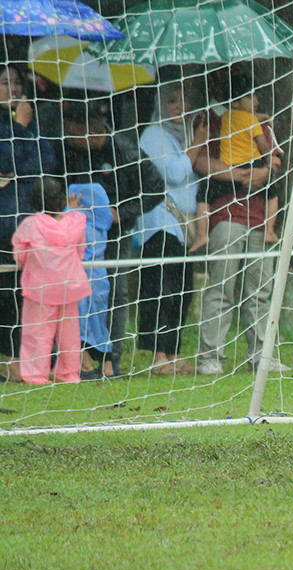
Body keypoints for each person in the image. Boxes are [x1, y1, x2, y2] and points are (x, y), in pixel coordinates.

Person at [54, 100, 166, 378]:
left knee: (116, 292)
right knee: (74, 294)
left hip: (115, 236)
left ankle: (110, 359)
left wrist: (121, 213)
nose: (67, 138)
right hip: (73, 235)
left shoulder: (125, 151)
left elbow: (156, 188)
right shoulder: (67, 150)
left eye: (72, 132)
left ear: (90, 129)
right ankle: (77, 359)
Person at [194, 80, 290, 376]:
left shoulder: (261, 125)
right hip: (226, 216)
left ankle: (262, 357)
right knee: (222, 287)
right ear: (234, 98)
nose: (256, 100)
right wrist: (241, 175)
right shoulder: (213, 122)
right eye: (250, 95)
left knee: (260, 292)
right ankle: (210, 357)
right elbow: (200, 162)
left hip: (261, 219)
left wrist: (264, 170)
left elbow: (275, 162)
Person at [136, 82, 207, 376]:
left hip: (180, 227)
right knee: (161, 289)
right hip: (158, 224)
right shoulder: (154, 134)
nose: (179, 107)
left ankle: (174, 354)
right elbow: (175, 173)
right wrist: (198, 143)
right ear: (161, 105)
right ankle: (158, 357)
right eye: (172, 101)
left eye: (183, 100)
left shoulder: (179, 137)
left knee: (182, 290)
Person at [0, 63, 56, 383]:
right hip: (4, 227)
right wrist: (19, 128)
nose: (15, 89)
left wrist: (14, 169)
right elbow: (6, 161)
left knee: (29, 295)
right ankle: (9, 361)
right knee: (6, 294)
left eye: (18, 83)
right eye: (6, 83)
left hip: (29, 225)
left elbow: (47, 162)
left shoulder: (30, 124)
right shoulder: (20, 123)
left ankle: (27, 359)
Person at [12, 177, 90, 384]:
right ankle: (69, 373)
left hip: (40, 287)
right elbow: (81, 252)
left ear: (34, 201)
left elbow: (19, 255)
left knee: (37, 333)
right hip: (69, 286)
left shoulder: (30, 225)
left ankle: (35, 375)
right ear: (62, 200)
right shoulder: (75, 222)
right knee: (70, 334)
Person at [218, 74, 280, 244]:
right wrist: (267, 164)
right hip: (253, 166)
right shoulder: (252, 121)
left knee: (204, 196)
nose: (255, 100)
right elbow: (265, 148)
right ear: (235, 102)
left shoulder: (224, 118)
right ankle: (270, 230)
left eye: (255, 95)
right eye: (249, 96)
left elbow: (243, 120)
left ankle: (201, 233)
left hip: (231, 168)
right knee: (272, 196)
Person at [74, 183, 115, 380]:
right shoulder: (100, 226)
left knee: (82, 322)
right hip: (100, 278)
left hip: (82, 278)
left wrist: (69, 211)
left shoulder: (81, 224)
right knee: (100, 322)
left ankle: (86, 365)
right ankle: (108, 366)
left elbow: (66, 232)